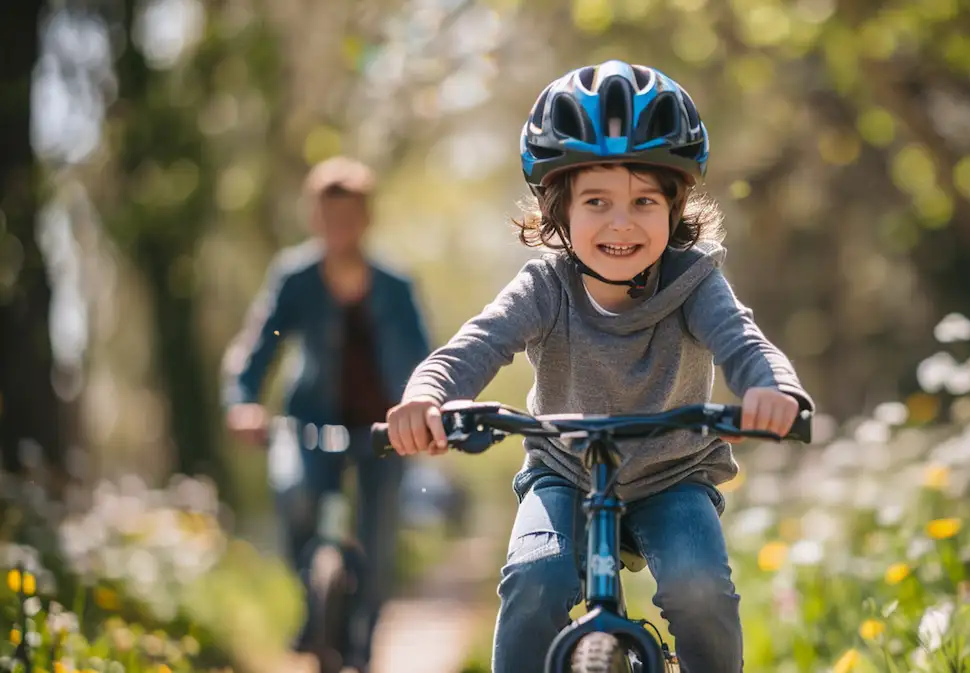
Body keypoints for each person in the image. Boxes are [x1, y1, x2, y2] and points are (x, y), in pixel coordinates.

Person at [385, 61, 814, 673]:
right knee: (533, 581)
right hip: (565, 470)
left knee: (702, 590)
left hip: (674, 475)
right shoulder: (544, 287)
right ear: (558, 210)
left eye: (644, 199)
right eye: (596, 201)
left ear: (676, 205)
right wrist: (427, 396)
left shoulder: (695, 282)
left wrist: (773, 390)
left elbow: (745, 345)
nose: (621, 222)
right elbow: (472, 348)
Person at [221, 155, 433, 671]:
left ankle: (362, 641)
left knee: (378, 546)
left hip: (384, 430)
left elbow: (425, 363)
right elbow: (259, 346)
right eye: (327, 216)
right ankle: (311, 600)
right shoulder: (294, 279)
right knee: (294, 492)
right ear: (313, 218)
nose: (338, 227)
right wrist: (244, 400)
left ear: (366, 218)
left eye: (348, 216)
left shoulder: (395, 286)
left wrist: (429, 415)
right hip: (308, 421)